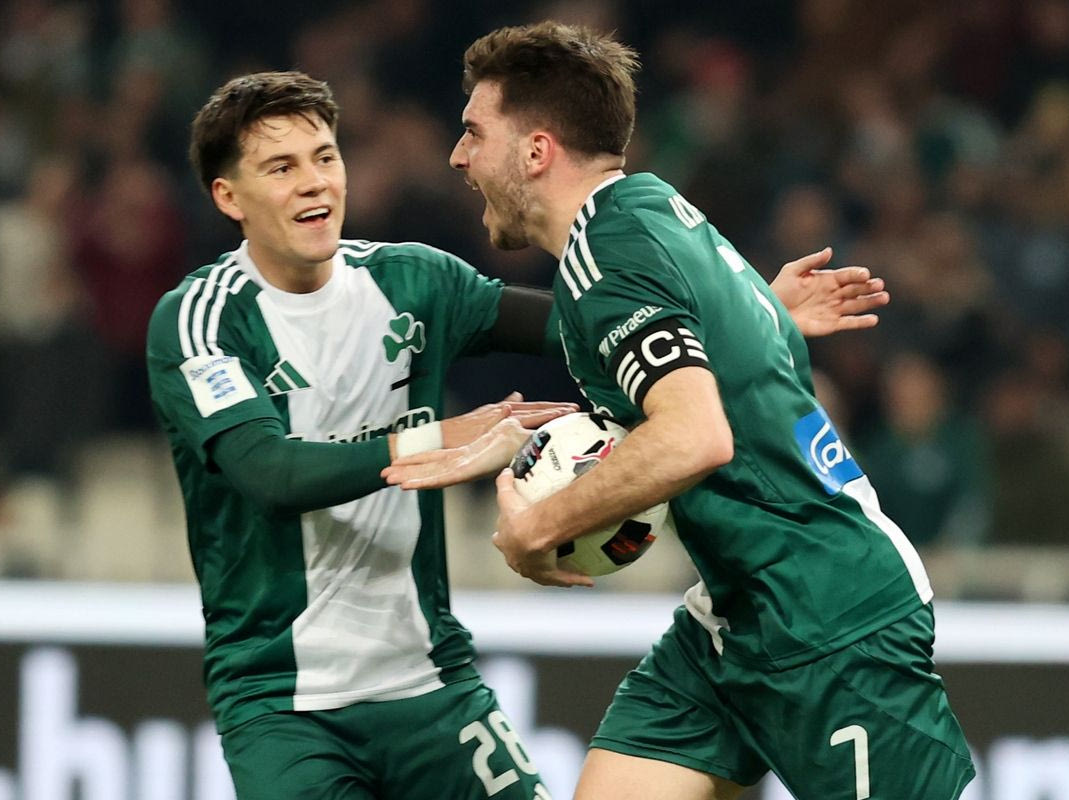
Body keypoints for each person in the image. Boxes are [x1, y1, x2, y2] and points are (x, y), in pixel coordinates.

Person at [147, 71, 892, 799]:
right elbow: (268, 473)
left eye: (324, 157)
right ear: (229, 196)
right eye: (281, 168)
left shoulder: (412, 282)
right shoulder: (200, 322)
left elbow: (596, 324)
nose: (314, 184)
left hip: (432, 684)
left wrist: (749, 313)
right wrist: (444, 440)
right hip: (283, 702)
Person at [386, 22, 974, 800]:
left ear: (535, 151)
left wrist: (540, 525)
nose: (458, 157)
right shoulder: (651, 205)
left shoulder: (607, 258)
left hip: (832, 618)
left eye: (473, 132)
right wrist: (760, 314)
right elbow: (695, 371)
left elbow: (695, 436)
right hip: (731, 622)